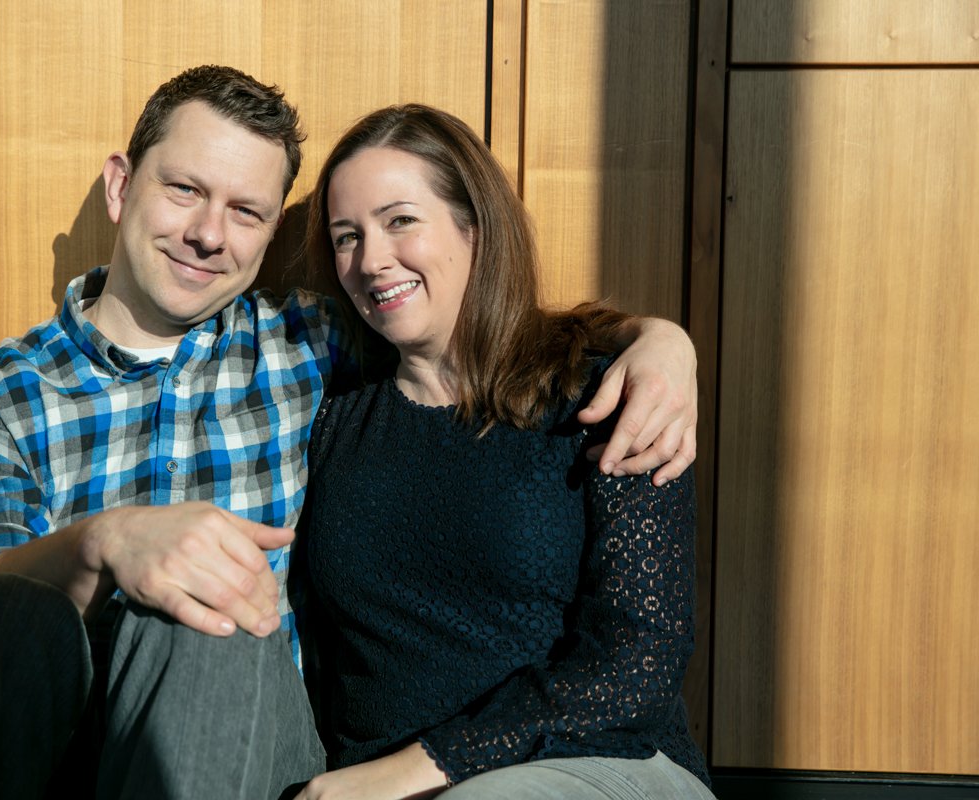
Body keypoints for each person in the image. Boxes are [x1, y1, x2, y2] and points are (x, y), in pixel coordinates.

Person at [0, 66, 700, 799]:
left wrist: (661, 342)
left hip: (238, 747)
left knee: (210, 610)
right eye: (184, 190)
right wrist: (110, 543)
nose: (208, 233)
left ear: (271, 238)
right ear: (122, 187)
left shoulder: (306, 350)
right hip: (47, 743)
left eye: (247, 211)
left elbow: (476, 338)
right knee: (8, 605)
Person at [292, 104, 714, 799]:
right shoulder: (331, 414)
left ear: (474, 226)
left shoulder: (604, 398)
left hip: (599, 765)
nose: (370, 260)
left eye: (400, 221)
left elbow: (638, 664)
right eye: (346, 237)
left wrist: (422, 766)